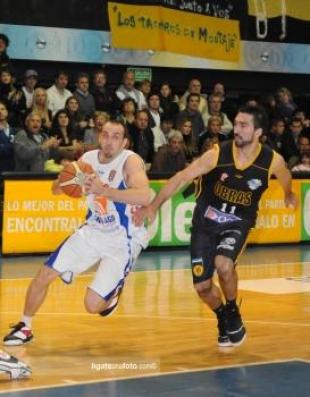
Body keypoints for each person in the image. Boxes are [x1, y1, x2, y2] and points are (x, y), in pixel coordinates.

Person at [134, 105, 298, 347]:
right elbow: (181, 177)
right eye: (236, 123)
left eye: (244, 125)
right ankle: (222, 316)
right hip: (205, 223)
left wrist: (288, 193)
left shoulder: (271, 160)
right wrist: (153, 206)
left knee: (224, 264)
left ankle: (232, 310)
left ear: (258, 132)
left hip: (238, 221)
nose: (237, 129)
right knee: (202, 287)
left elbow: (285, 175)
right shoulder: (216, 154)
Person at [3, 120, 151, 345]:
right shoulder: (88, 160)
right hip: (92, 231)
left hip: (123, 240)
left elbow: (144, 196)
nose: (109, 141)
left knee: (92, 305)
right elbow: (56, 188)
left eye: (115, 137)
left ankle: (112, 294)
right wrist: (69, 180)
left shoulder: (129, 161)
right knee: (44, 274)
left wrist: (105, 191)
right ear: (99, 137)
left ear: (124, 142)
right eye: (106, 135)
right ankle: (25, 326)